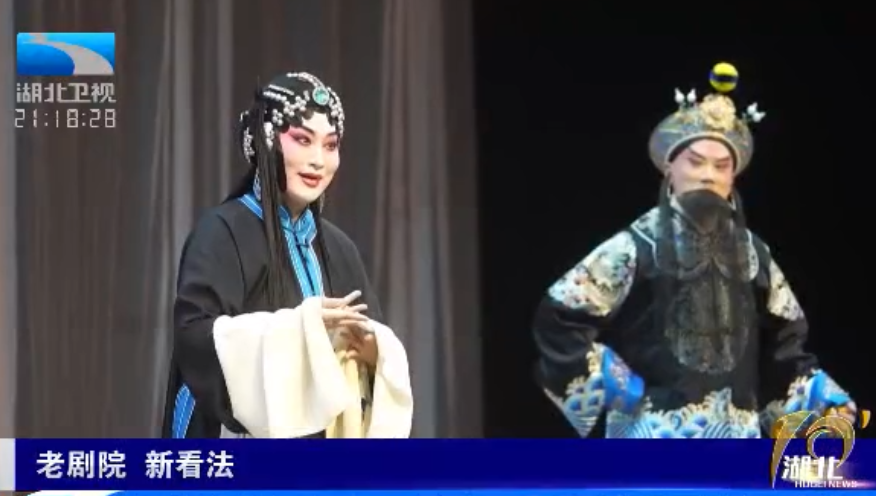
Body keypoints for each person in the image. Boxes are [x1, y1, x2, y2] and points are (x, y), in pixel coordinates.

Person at [532, 63, 856, 438]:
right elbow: (561, 315)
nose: (708, 175)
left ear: (733, 177)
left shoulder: (754, 255)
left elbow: (784, 344)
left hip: (736, 436)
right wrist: (616, 383)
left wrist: (823, 403)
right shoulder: (637, 244)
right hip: (651, 434)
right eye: (695, 162)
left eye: (721, 166)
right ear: (669, 167)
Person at [161, 72, 413, 439]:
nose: (318, 160)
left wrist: (376, 354)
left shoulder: (339, 249)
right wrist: (301, 330)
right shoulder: (221, 233)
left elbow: (370, 347)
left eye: (330, 145)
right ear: (267, 141)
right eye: (302, 140)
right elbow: (194, 341)